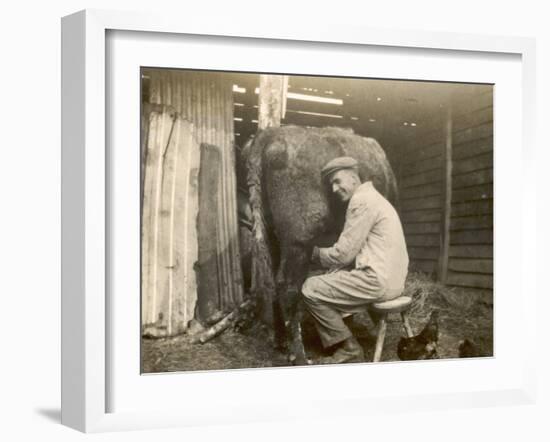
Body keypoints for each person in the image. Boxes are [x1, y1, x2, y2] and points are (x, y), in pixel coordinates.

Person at [302, 156, 409, 364]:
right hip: (395, 281)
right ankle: (346, 333)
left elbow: (343, 253)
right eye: (332, 184)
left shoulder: (360, 201)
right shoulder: (375, 198)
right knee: (335, 276)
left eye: (337, 181)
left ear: (353, 178)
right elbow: (355, 251)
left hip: (378, 282)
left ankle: (348, 347)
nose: (334, 189)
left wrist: (312, 253)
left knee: (311, 288)